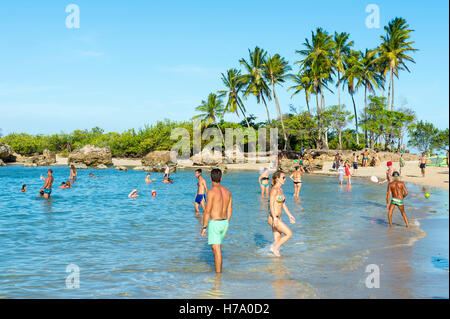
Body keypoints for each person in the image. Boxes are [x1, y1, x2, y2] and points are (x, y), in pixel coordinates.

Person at [201, 169, 232, 273]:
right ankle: (218, 272)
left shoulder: (211, 192)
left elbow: (207, 211)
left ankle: (218, 277)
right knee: (216, 248)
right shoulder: (228, 192)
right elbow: (230, 209)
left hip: (215, 223)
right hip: (224, 223)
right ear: (221, 178)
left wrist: (204, 227)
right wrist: (227, 221)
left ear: (210, 178)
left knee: (216, 250)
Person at [267, 171, 295, 257]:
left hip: (278, 217)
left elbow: (282, 204)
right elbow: (271, 204)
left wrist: (289, 215)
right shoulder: (274, 190)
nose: (285, 179)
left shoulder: (280, 190)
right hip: (273, 217)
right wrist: (275, 218)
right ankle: (274, 249)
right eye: (283, 177)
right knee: (289, 234)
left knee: (277, 239)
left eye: (285, 177)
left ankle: (276, 263)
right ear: (277, 179)